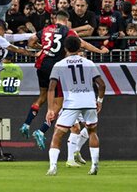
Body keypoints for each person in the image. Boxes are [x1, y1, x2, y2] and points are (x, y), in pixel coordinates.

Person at [20, 10, 109, 150]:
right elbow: (83, 44)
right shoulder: (67, 31)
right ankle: (41, 130)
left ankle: (27, 123)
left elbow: (31, 41)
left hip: (42, 65)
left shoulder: (46, 29)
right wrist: (100, 51)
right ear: (66, 20)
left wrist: (42, 48)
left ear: (56, 19)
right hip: (56, 67)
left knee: (43, 96)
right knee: (59, 103)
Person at [45, 36, 105, 176]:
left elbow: (51, 88)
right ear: (80, 48)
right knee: (92, 132)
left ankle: (53, 167)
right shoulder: (88, 62)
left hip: (71, 103)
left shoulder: (59, 64)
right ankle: (94, 166)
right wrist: (99, 101)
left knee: (57, 134)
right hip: (89, 102)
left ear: (65, 48)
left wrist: (50, 109)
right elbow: (101, 85)